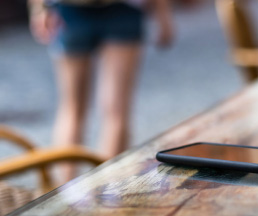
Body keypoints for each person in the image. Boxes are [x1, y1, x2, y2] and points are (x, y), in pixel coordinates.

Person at [28, 0, 174, 182]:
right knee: (116, 113)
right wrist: (163, 14)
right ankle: (108, 195)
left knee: (72, 109)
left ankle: (62, 199)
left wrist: (39, 8)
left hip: (70, 10)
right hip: (122, 9)